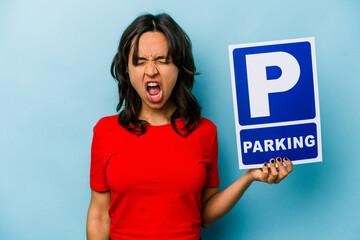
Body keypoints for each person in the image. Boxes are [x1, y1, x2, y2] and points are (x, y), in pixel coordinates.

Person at [86, 13, 293, 240]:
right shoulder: (106, 131)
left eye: (162, 60)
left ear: (179, 67)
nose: (151, 70)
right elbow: (99, 215)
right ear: (127, 69)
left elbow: (204, 214)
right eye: (140, 61)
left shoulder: (205, 132)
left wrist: (249, 177)